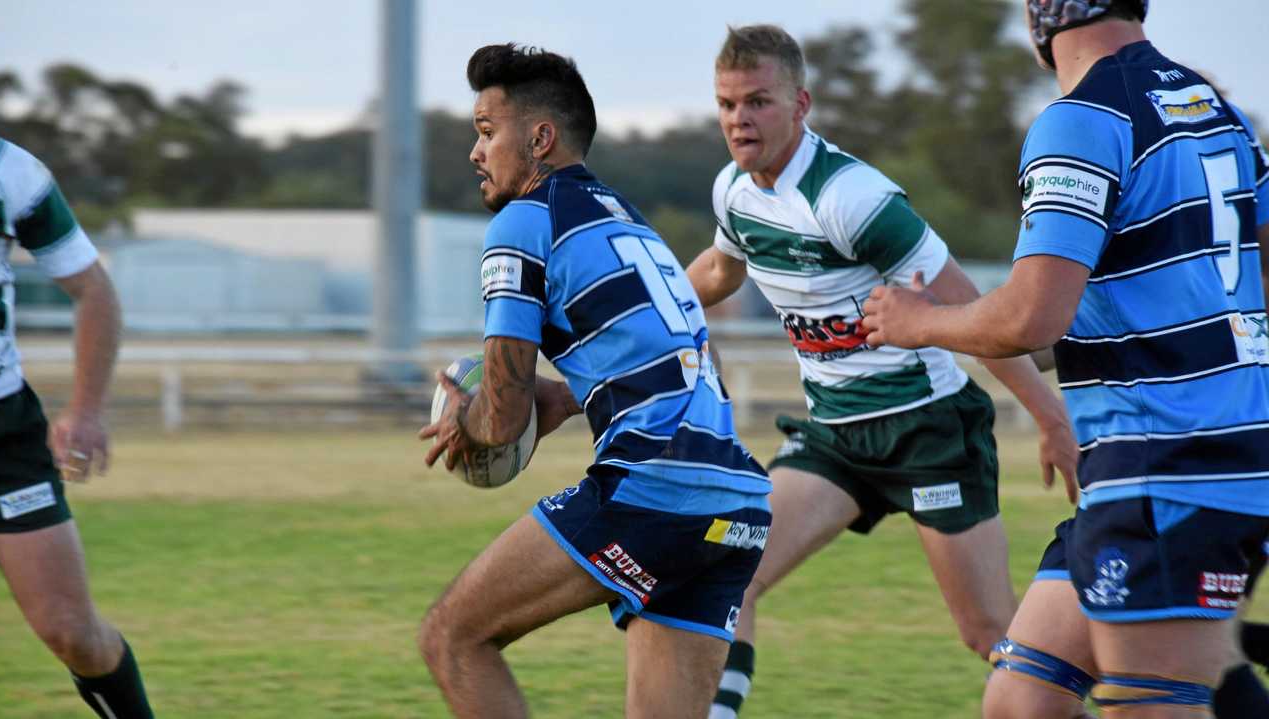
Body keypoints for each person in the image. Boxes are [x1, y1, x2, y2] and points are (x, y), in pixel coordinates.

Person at [861, 1, 1269, 716]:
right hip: (1202, 457)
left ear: (1039, 19)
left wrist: (921, 322)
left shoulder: (1082, 120)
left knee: (1152, 701)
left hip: (1164, 465)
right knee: (1023, 697)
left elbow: (1029, 316)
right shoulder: (1215, 110)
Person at [685, 25, 1079, 719]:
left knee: (989, 633)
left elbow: (975, 316)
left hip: (929, 433)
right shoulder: (735, 194)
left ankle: (1124, 687)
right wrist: (644, 306)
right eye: (726, 105)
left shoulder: (853, 199)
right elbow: (718, 271)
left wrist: (1050, 417)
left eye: (758, 102)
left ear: (801, 103)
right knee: (726, 573)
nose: (739, 120)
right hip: (836, 436)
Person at [417, 44, 772, 719]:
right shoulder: (631, 224)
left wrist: (468, 422)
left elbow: (496, 418)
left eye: (488, 131)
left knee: (454, 636)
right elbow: (691, 360)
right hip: (738, 503)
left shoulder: (522, 222)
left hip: (651, 493)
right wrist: (564, 396)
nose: (475, 151)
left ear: (541, 138)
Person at [0, 134, 153, 717]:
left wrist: (84, 412)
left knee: (71, 632)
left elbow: (92, 290)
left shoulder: (7, 170)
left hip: (0, 433)